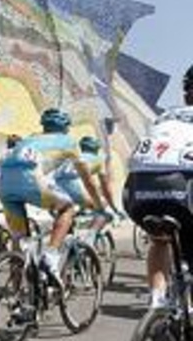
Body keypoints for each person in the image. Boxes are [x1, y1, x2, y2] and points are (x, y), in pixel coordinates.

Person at [0, 108, 100, 285]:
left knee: (20, 240)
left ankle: (16, 294)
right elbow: (88, 180)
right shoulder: (69, 142)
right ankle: (50, 255)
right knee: (67, 208)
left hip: (4, 184)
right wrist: (99, 204)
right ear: (66, 127)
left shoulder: (31, 137)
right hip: (32, 179)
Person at [124, 65, 193, 309]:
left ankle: (157, 302)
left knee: (160, 239)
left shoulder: (164, 116)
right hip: (182, 185)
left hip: (137, 190)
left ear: (185, 94)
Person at [55, 136, 118, 230]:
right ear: (96, 149)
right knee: (103, 208)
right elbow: (106, 189)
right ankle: (89, 238)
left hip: (54, 187)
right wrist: (113, 207)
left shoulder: (74, 157)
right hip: (73, 186)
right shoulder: (98, 159)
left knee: (67, 212)